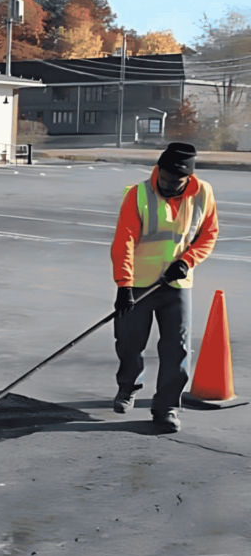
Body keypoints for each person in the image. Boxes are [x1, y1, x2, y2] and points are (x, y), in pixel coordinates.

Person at [111, 142, 219, 431]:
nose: (169, 184)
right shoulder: (138, 194)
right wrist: (124, 285)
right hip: (138, 284)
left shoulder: (203, 194)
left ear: (189, 179)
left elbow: (208, 234)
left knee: (177, 350)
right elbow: (124, 241)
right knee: (129, 344)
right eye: (165, 177)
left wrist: (187, 261)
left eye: (176, 180)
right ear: (158, 170)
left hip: (177, 285)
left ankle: (167, 407)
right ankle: (128, 386)